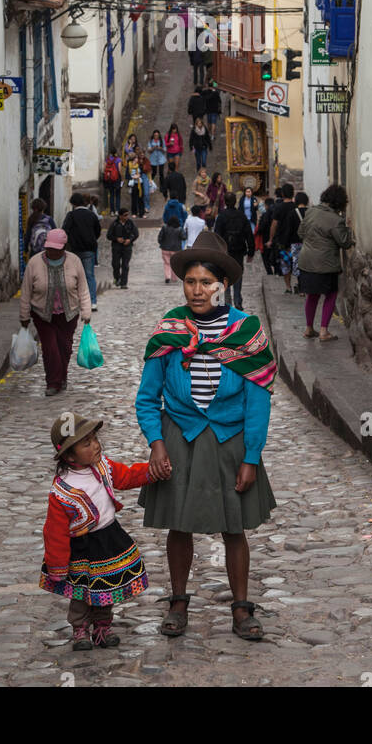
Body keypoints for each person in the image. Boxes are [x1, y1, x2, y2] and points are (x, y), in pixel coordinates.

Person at [135, 230, 277, 641]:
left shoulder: (247, 332)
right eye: (191, 281)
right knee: (179, 524)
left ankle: (241, 607)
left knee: (235, 527)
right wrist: (156, 444)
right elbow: (147, 398)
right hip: (181, 436)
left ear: (224, 285)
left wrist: (251, 457)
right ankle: (178, 602)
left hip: (230, 439)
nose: (197, 291)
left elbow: (258, 402)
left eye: (206, 282)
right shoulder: (170, 330)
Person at [40, 413, 153, 651]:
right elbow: (55, 531)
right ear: (69, 456)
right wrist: (57, 565)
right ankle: (80, 628)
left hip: (109, 539)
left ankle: (103, 627)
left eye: (94, 439)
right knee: (81, 593)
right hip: (81, 547)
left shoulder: (104, 467)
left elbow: (126, 476)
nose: (95, 445)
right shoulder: (63, 489)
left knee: (106, 588)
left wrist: (150, 472)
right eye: (87, 443)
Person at [19, 229, 91, 396]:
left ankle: (62, 376)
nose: (53, 252)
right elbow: (26, 291)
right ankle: (53, 382)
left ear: (64, 247)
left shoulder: (74, 261)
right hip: (42, 314)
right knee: (50, 348)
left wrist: (86, 312)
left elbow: (83, 288)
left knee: (65, 348)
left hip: (69, 313)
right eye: (50, 248)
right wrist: (24, 316)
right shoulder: (34, 263)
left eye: (57, 249)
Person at [297, 184, 355, 343]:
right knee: (330, 295)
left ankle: (309, 328)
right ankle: (323, 331)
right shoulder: (336, 220)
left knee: (312, 295)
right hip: (326, 264)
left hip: (306, 261)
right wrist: (348, 229)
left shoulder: (310, 212)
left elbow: (300, 232)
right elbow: (345, 243)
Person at [214, 192, 255, 309]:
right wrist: (251, 251)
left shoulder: (221, 216)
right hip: (239, 250)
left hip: (225, 251)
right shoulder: (241, 216)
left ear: (225, 202)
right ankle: (237, 299)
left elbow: (217, 235)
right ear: (235, 201)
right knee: (238, 274)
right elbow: (249, 234)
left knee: (225, 275)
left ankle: (227, 301)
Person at [63, 192, 102, 313]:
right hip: (89, 249)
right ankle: (92, 302)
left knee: (74, 276)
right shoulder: (91, 215)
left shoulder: (71, 215)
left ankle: (76, 302)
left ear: (73, 203)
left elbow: (65, 231)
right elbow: (98, 231)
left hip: (75, 249)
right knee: (89, 276)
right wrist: (91, 239)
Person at [269, 183, 301, 295]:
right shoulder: (296, 207)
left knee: (285, 264)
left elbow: (274, 224)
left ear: (282, 194)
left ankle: (288, 287)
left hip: (283, 241)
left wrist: (270, 239)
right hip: (296, 239)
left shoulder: (279, 207)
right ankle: (299, 284)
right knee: (298, 263)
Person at [107, 208, 138, 289]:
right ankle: (117, 278)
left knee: (125, 265)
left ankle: (124, 283)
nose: (127, 217)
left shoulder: (130, 223)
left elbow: (136, 234)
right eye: (125, 215)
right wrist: (116, 239)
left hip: (127, 247)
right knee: (115, 264)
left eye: (128, 215)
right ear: (120, 216)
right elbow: (109, 235)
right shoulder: (114, 224)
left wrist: (130, 240)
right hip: (116, 247)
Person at [157, 215, 184, 284]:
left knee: (167, 263)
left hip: (165, 248)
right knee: (175, 264)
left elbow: (160, 237)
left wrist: (161, 243)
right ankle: (174, 278)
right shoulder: (179, 229)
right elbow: (184, 237)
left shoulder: (164, 227)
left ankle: (167, 277)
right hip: (176, 249)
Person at [291, 192, 309, 293]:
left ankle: (301, 288)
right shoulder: (311, 212)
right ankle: (307, 286)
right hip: (308, 243)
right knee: (307, 265)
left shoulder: (293, 213)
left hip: (296, 243)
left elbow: (289, 229)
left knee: (298, 265)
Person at [255, 200, 275, 275]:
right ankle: (277, 273)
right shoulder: (276, 214)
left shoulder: (265, 215)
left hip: (265, 240)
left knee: (266, 259)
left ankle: (270, 273)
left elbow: (260, 229)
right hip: (275, 240)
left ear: (266, 206)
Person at [124, 151, 145, 218]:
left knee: (141, 198)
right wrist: (133, 177)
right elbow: (127, 176)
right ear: (133, 159)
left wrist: (139, 175)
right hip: (133, 184)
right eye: (136, 158)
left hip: (139, 183)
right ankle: (134, 212)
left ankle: (141, 213)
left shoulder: (139, 165)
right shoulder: (129, 166)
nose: (137, 159)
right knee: (134, 198)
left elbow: (141, 172)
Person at [148, 130, 167, 195]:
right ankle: (150, 184)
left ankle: (162, 187)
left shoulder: (162, 141)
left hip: (161, 159)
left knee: (161, 173)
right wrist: (153, 148)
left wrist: (160, 148)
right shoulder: (150, 141)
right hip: (153, 159)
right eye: (155, 135)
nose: (156, 136)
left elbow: (165, 150)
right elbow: (149, 150)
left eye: (157, 135)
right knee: (154, 172)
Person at [103, 150, 122, 215]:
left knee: (111, 195)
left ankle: (112, 211)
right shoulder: (118, 160)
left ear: (110, 153)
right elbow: (119, 169)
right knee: (117, 195)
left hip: (109, 179)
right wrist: (121, 177)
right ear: (116, 153)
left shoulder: (107, 160)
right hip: (116, 179)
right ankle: (117, 210)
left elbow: (104, 169)